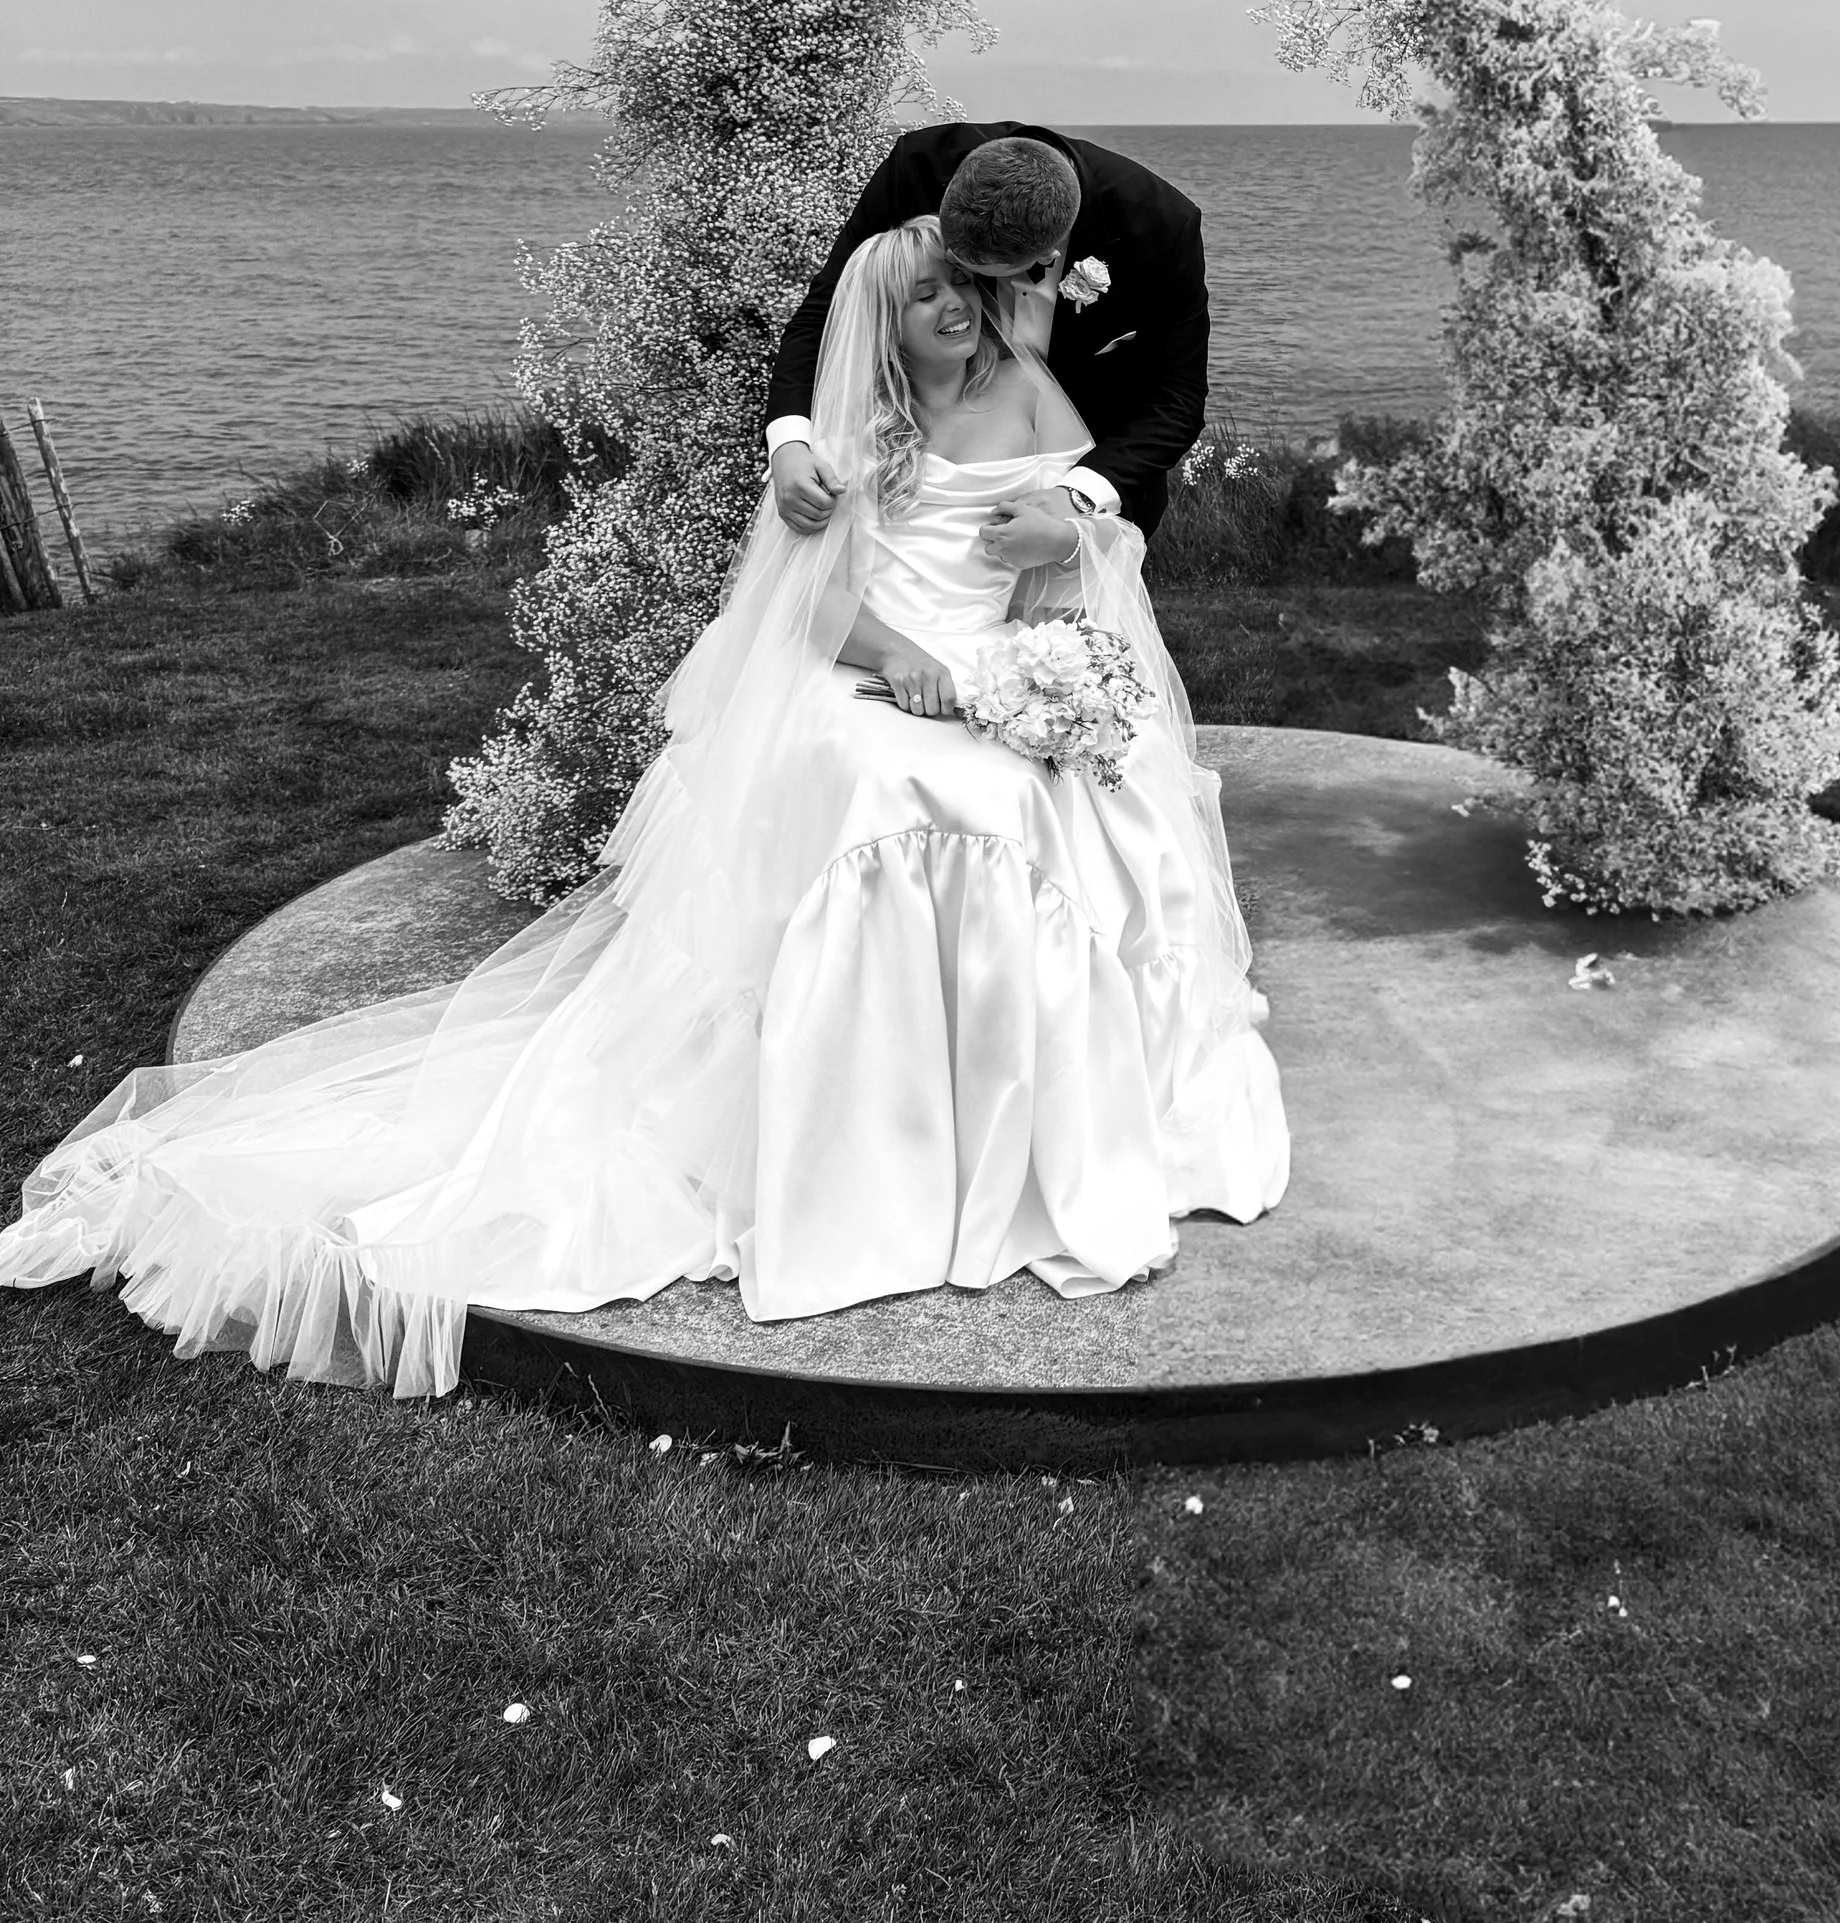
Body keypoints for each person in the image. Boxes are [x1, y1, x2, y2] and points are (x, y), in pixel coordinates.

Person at [0, 217, 1287, 1398]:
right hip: (860, 670)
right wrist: (899, 658)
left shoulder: (1029, 391)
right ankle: (865, 1147)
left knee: (1037, 798)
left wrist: (1035, 654)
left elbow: (1072, 557)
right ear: (878, 321)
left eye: (963, 286)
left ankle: (1026, 1138)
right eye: (922, 295)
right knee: (886, 784)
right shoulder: (843, 437)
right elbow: (801, 611)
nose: (952, 308)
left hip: (994, 672)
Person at [765, 124, 1209, 551]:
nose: (962, 293)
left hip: (1090, 485)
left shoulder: (1160, 225)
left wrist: (1076, 495)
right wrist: (789, 444)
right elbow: (827, 314)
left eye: (972, 277)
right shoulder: (919, 169)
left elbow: (1177, 398)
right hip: (910, 478)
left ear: (1048, 254)